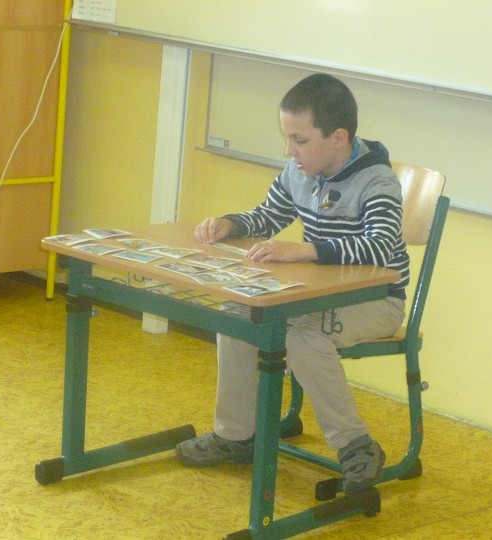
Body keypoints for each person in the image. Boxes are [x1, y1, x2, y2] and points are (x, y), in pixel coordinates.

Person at [175, 73, 409, 495]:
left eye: (300, 140)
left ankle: (355, 445)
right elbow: (268, 216)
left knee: (305, 337)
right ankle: (236, 435)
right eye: (288, 139)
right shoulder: (300, 171)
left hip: (376, 300)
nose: (289, 150)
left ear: (338, 138)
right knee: (238, 314)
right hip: (314, 296)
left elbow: (378, 247)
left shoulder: (377, 181)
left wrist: (304, 250)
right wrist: (231, 223)